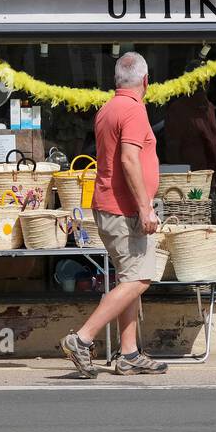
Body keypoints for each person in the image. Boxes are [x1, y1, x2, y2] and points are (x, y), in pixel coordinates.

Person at [60, 52, 168, 377]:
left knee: (128, 278)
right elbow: (129, 161)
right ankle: (82, 338)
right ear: (146, 81)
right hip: (125, 209)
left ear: (118, 80)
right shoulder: (134, 110)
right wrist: (146, 207)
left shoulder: (108, 108)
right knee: (139, 278)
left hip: (110, 205)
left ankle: (130, 353)